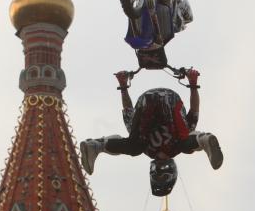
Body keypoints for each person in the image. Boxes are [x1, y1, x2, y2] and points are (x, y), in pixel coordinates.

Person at [80, 69, 223, 196]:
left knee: (135, 144)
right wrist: (193, 84)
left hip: (152, 102)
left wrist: (123, 87)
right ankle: (203, 140)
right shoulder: (175, 146)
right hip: (165, 103)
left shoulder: (144, 146)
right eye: (162, 174)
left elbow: (129, 112)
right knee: (182, 139)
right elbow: (194, 112)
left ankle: (96, 145)